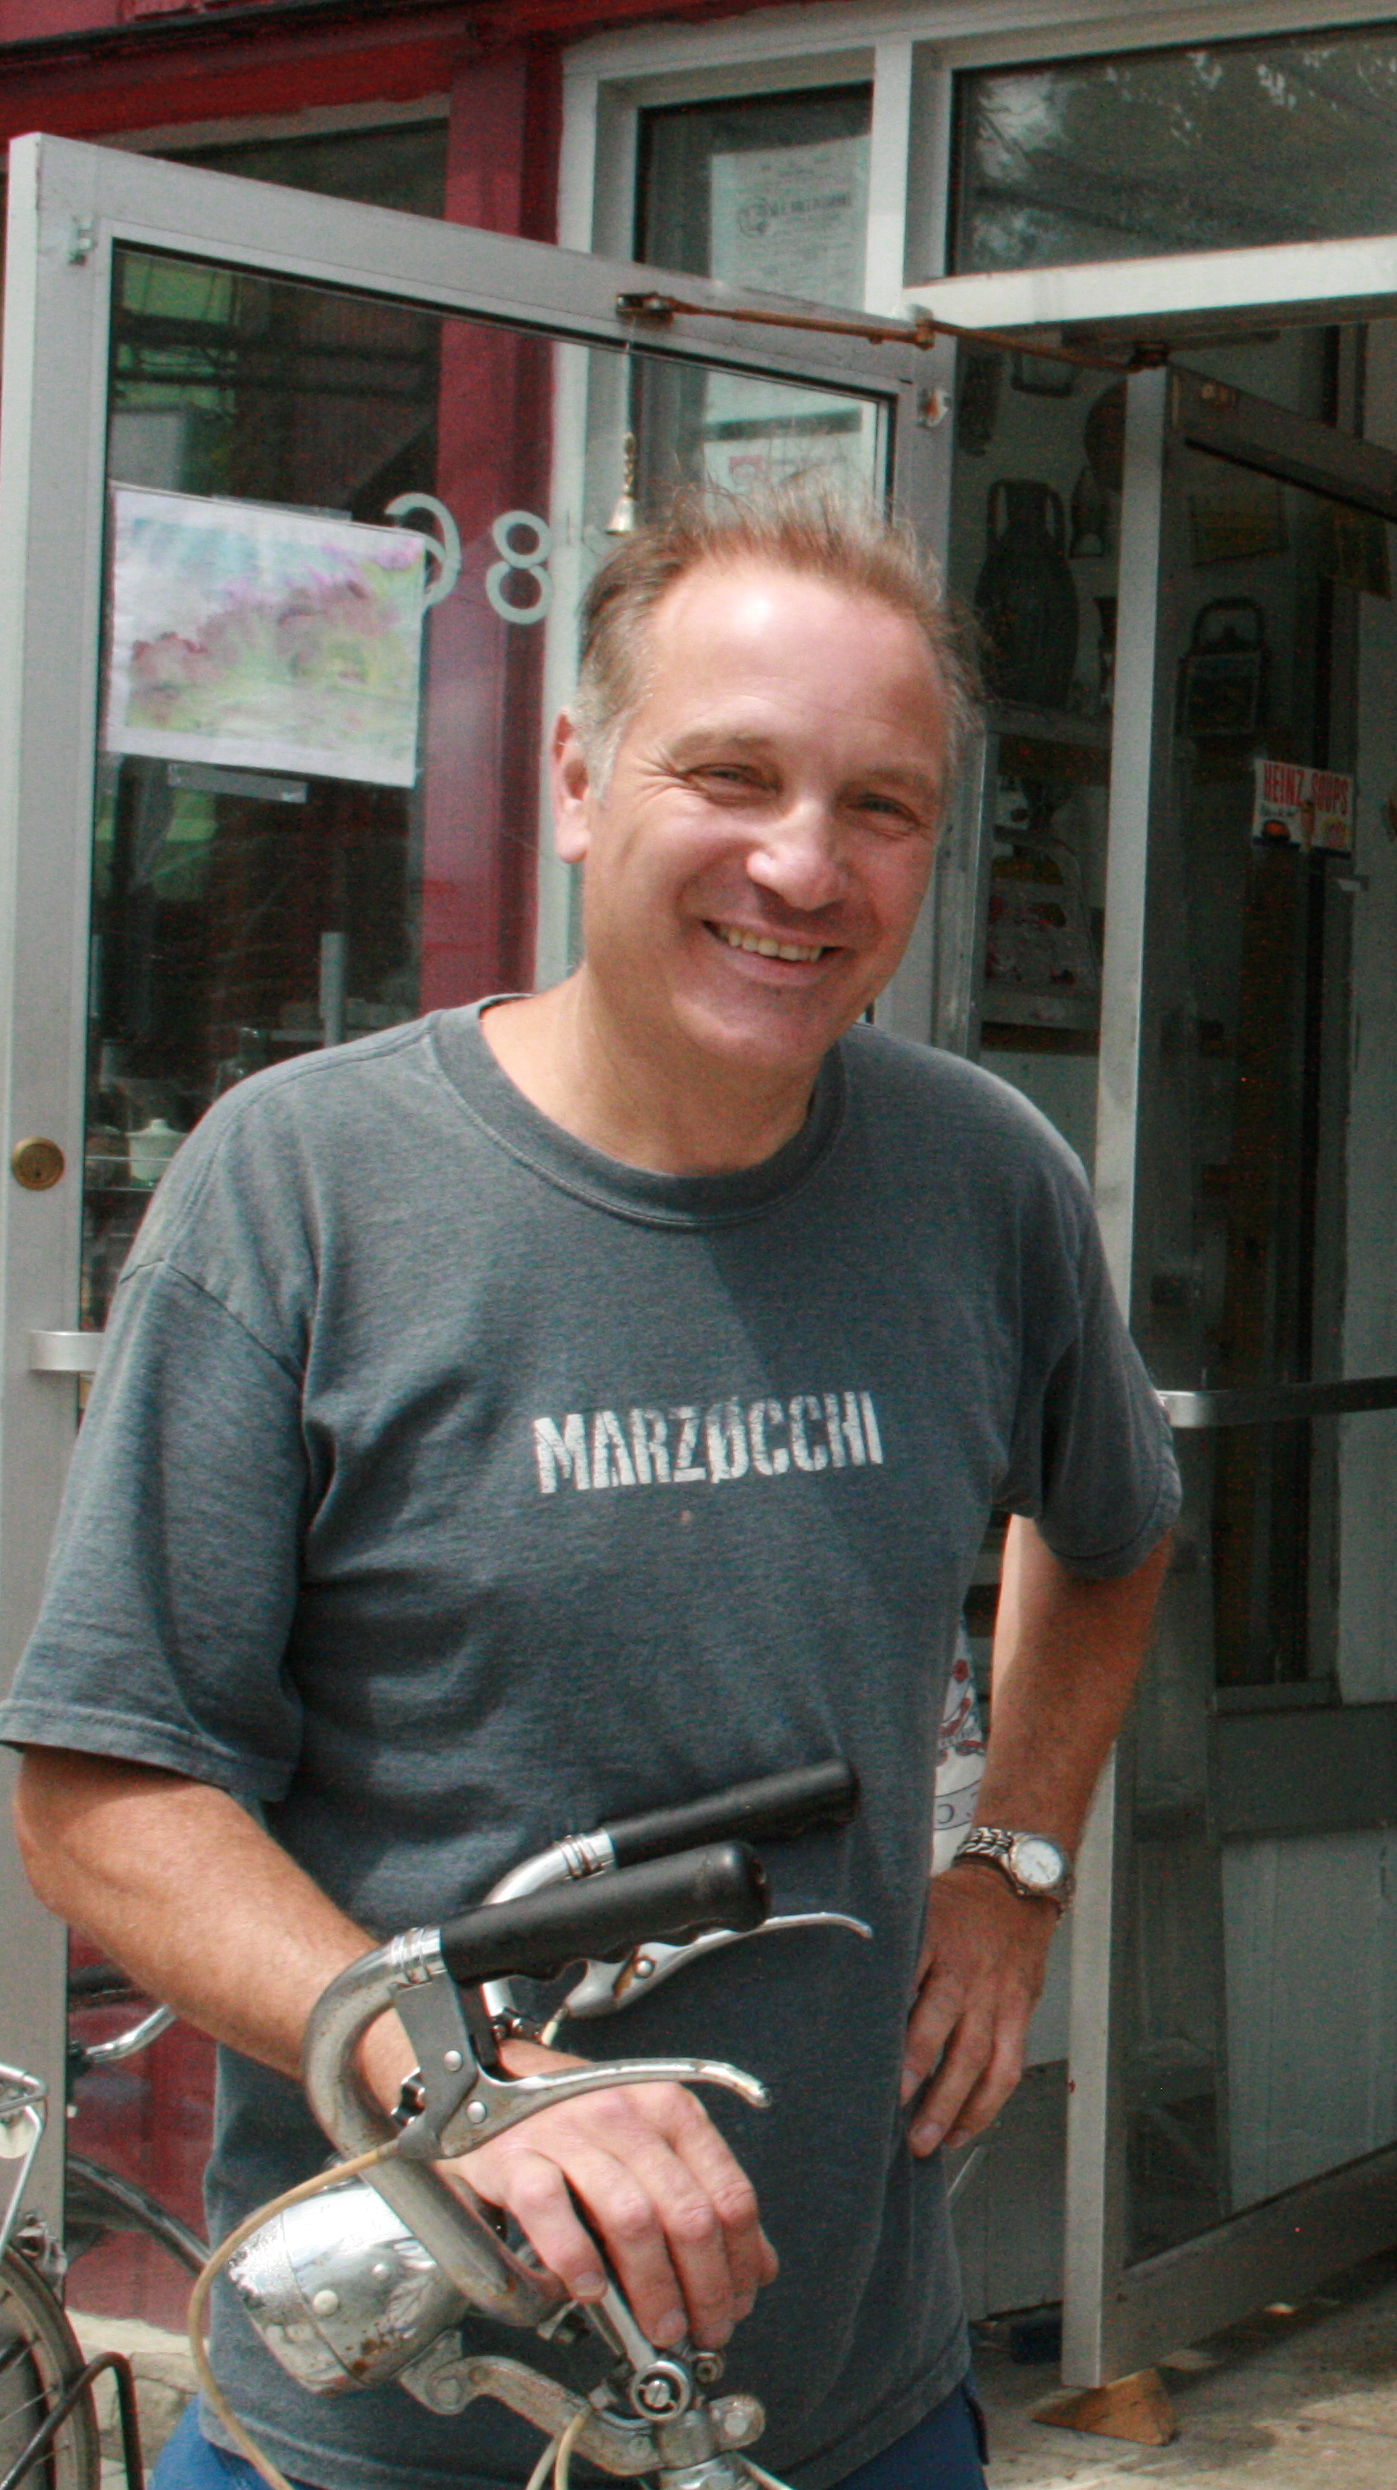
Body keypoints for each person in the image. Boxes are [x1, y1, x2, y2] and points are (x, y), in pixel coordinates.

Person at [1, 491, 1181, 2490]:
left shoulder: (982, 1181)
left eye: (879, 806)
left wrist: (1013, 1871)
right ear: (574, 777)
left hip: (854, 2404)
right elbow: (103, 1800)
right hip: (392, 2423)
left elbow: (1114, 1527)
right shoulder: (303, 1191)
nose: (800, 864)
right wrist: (459, 2079)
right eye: (729, 775)